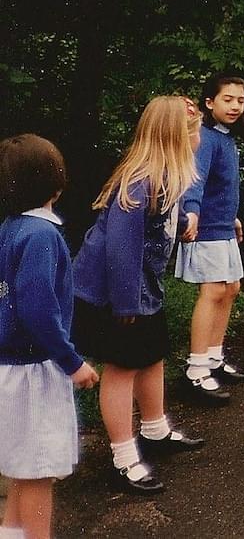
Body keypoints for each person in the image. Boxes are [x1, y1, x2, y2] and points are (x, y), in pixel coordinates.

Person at [73, 97, 206, 495]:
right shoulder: (139, 181)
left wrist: (183, 221)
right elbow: (121, 248)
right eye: (194, 134)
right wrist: (127, 303)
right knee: (122, 367)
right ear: (176, 140)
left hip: (144, 288)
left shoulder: (171, 174)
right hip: (115, 293)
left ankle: (154, 429)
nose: (199, 140)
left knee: (152, 354)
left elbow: (167, 215)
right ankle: (124, 456)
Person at [0, 135, 99, 537]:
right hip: (34, 370)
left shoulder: (10, 228)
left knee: (24, 469)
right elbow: (37, 308)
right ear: (58, 183)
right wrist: (72, 362)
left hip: (10, 368)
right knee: (40, 471)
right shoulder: (42, 236)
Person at [176, 73, 244, 405]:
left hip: (222, 227)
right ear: (209, 103)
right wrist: (191, 212)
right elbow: (196, 181)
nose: (235, 106)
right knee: (213, 291)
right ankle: (195, 371)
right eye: (227, 99)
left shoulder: (225, 137)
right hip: (205, 230)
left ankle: (213, 358)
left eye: (240, 100)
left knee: (231, 288)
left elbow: (223, 189)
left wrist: (231, 217)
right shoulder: (204, 138)